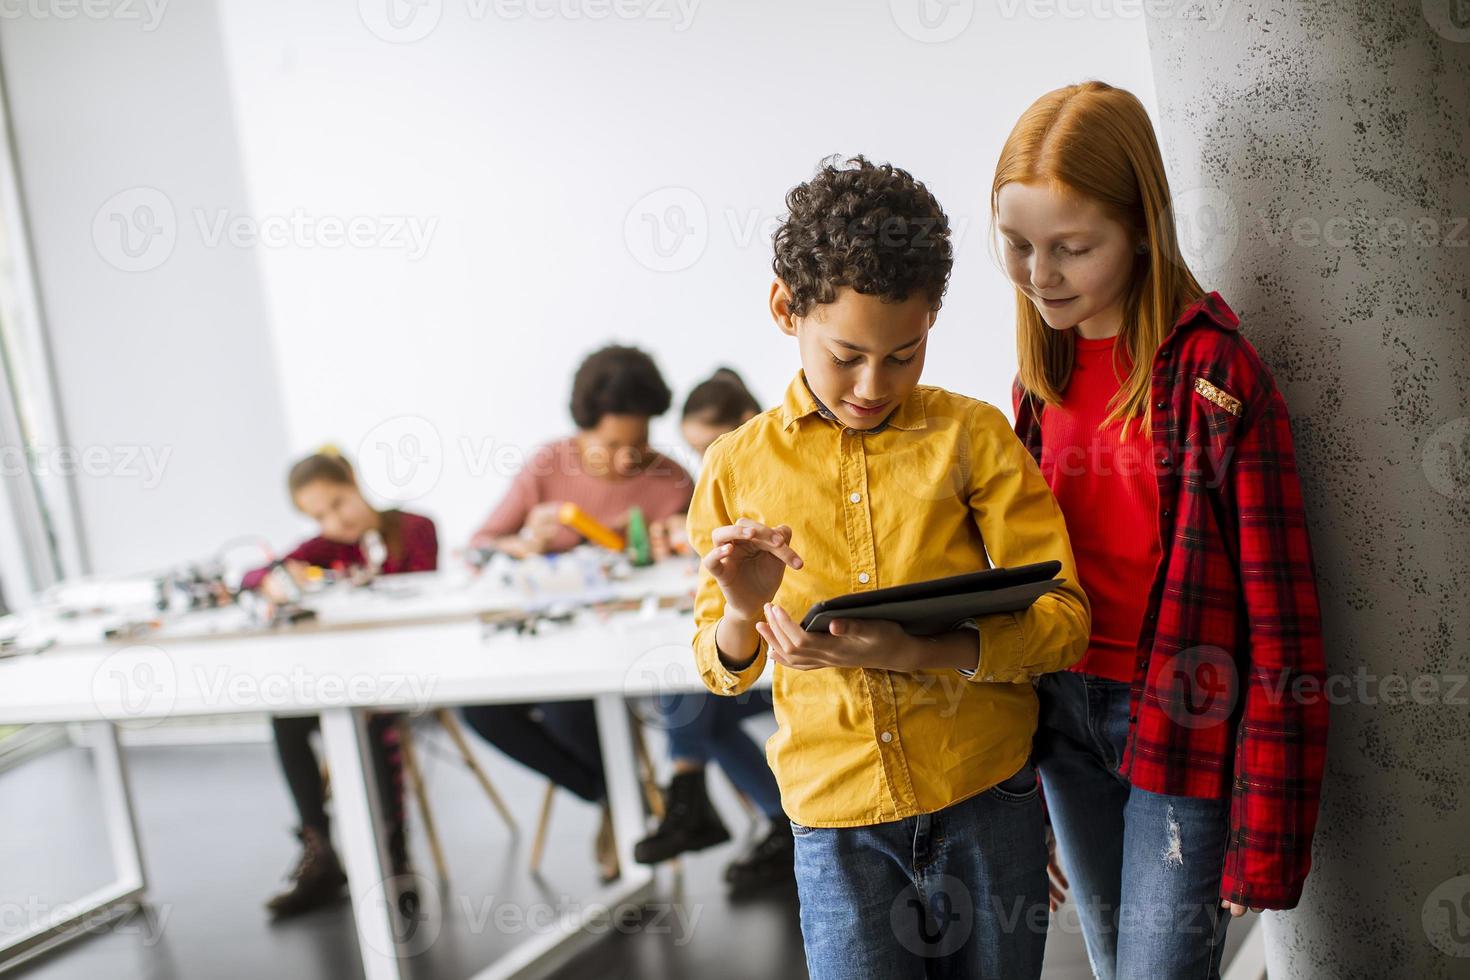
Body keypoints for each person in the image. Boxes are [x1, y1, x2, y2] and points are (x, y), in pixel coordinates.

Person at [688, 156, 1091, 978]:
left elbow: (1064, 623)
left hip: (985, 793)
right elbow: (720, 672)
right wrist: (739, 613)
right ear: (783, 308)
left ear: (932, 321)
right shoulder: (734, 466)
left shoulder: (971, 437)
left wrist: (915, 651)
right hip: (836, 824)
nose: (875, 384)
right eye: (847, 355)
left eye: (904, 355)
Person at [993, 80, 1328, 979]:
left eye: (1072, 248)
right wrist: (1018, 786)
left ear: (1142, 228)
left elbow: (1283, 619)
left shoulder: (1218, 375)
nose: (1039, 275)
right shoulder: (1035, 380)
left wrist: (1266, 836)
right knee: (1111, 967)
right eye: (1017, 244)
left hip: (1177, 725)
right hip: (1063, 720)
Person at [461, 345, 693, 881]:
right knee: (482, 711)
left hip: (633, 643)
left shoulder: (672, 480)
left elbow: (706, 557)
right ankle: (618, 795)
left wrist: (680, 540)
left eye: (639, 442)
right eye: (611, 445)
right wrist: (524, 541)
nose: (626, 460)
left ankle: (621, 804)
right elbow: (478, 547)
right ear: (582, 427)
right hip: (550, 638)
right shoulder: (548, 467)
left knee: (570, 707)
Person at [240, 449, 438, 919]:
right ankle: (320, 852)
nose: (333, 521)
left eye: (337, 503)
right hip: (350, 675)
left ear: (353, 480)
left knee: (370, 717)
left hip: (405, 672)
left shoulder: (414, 529)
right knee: (287, 716)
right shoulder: (321, 549)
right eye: (317, 516)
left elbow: (425, 589)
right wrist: (273, 578)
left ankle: (395, 855)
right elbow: (253, 577)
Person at [633, 368, 792, 893]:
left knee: (691, 697)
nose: (705, 460)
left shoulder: (783, 474)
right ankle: (772, 819)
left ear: (745, 423)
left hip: (794, 652)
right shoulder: (720, 487)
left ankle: (690, 795)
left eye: (708, 444)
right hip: (753, 650)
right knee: (700, 702)